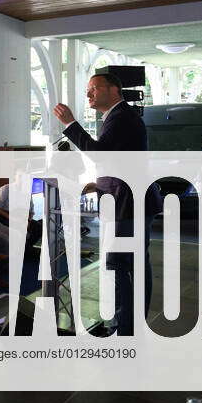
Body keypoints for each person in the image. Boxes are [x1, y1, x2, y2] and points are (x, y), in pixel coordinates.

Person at [53, 72, 161, 335]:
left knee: (119, 264)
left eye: (93, 88)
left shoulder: (121, 117)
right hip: (129, 200)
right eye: (88, 90)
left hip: (127, 204)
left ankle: (125, 329)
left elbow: (100, 153)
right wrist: (99, 184)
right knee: (134, 265)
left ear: (114, 90)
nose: (89, 94)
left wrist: (70, 124)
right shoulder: (119, 117)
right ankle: (131, 325)